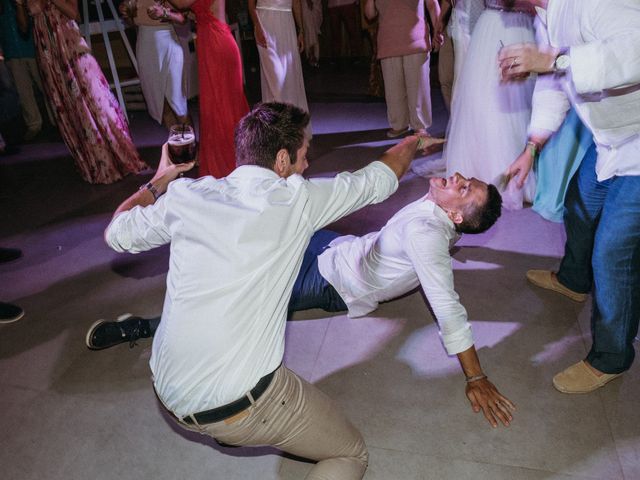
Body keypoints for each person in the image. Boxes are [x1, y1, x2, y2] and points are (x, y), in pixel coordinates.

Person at [102, 101, 422, 479]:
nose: (306, 166)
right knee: (350, 454)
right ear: (282, 160)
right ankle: (237, 429)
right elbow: (381, 177)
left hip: (167, 390)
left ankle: (232, 430)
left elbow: (116, 232)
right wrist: (415, 141)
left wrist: (160, 179)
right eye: (304, 157)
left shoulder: (187, 196)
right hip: (238, 406)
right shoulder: (297, 199)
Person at [89, 171, 515, 429]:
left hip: (331, 282)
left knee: (241, 292)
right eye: (466, 179)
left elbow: (448, 309)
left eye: (463, 189)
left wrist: (475, 377)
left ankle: (144, 326)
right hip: (341, 246)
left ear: (455, 216)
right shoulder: (441, 214)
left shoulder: (429, 238)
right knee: (269, 220)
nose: (457, 179)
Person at [500, 0, 640, 394]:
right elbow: (552, 85)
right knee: (579, 205)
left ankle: (612, 356)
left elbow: (636, 46)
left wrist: (556, 60)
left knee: (613, 253)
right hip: (610, 139)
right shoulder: (545, 16)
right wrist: (531, 148)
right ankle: (573, 280)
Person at [20, 0, 147, 184]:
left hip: (70, 45)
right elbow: (23, 28)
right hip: (48, 54)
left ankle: (119, 156)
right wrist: (19, 6)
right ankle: (94, 164)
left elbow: (75, 14)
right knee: (69, 109)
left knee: (95, 100)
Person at [443, 0, 537, 210]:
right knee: (488, 100)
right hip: (493, 27)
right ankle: (488, 170)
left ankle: (519, 169)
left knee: (521, 104)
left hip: (523, 26)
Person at [167, 0, 249, 178]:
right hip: (215, 40)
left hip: (215, 44)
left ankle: (227, 166)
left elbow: (181, 3)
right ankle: (235, 163)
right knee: (220, 107)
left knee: (220, 108)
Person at [363, 0, 442, 138]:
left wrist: (438, 30)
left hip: (416, 40)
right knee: (393, 91)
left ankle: (419, 125)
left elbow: (432, 4)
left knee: (417, 88)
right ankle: (399, 125)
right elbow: (370, 14)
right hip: (388, 42)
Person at [119, 0, 191, 128]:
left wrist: (163, 13)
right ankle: (178, 145)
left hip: (168, 43)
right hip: (145, 45)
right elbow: (134, 21)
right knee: (161, 107)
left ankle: (191, 146)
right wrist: (128, 13)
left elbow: (183, 18)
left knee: (178, 104)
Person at [248, 0, 310, 126]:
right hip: (265, 23)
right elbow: (251, 4)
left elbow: (296, 2)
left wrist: (301, 30)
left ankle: (291, 127)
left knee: (289, 78)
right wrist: (257, 25)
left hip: (287, 24)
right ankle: (277, 127)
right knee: (276, 79)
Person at [0, 0, 52, 140]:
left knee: (46, 86)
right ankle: (34, 125)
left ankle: (57, 119)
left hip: (32, 46)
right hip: (11, 49)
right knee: (24, 92)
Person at [301, 0, 322, 67]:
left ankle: (314, 56)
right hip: (306, 2)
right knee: (310, 29)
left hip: (317, 2)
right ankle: (312, 56)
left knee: (314, 28)